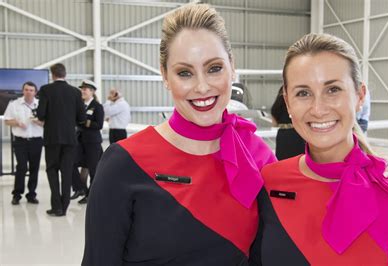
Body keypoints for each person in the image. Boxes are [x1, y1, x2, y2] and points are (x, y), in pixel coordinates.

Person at [82, 4, 276, 265]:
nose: (202, 86)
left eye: (214, 68)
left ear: (232, 65)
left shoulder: (258, 157)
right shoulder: (124, 163)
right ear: (165, 75)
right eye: (185, 73)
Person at [253, 33, 388, 265]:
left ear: (360, 96)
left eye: (333, 89)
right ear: (288, 103)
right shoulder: (269, 181)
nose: (318, 109)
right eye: (303, 93)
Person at [37, 63, 86, 217]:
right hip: (70, 139)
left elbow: (41, 115)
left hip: (52, 138)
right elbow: (82, 118)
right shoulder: (75, 92)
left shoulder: (46, 90)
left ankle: (56, 206)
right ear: (65, 74)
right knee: (66, 172)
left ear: (52, 74)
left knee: (52, 170)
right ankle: (64, 207)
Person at [4, 81, 43, 205]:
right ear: (23, 91)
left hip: (36, 141)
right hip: (20, 141)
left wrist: (38, 122)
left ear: (35, 92)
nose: (29, 92)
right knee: (21, 167)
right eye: (26, 90)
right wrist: (17, 123)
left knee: (34, 168)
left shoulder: (41, 104)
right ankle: (17, 194)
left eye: (31, 90)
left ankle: (31, 194)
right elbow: (7, 120)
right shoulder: (14, 104)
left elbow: (47, 122)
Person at [72, 80, 104, 205]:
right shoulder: (79, 105)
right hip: (79, 142)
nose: (83, 91)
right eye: (82, 89)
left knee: (93, 170)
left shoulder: (97, 106)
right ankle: (80, 189)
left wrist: (84, 122)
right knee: (72, 164)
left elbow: (99, 125)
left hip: (92, 143)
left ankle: (90, 195)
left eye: (85, 89)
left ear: (92, 92)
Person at [271, 85, 305, 160]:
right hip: (296, 133)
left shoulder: (276, 106)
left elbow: (274, 124)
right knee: (298, 161)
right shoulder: (296, 103)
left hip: (282, 134)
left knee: (283, 161)